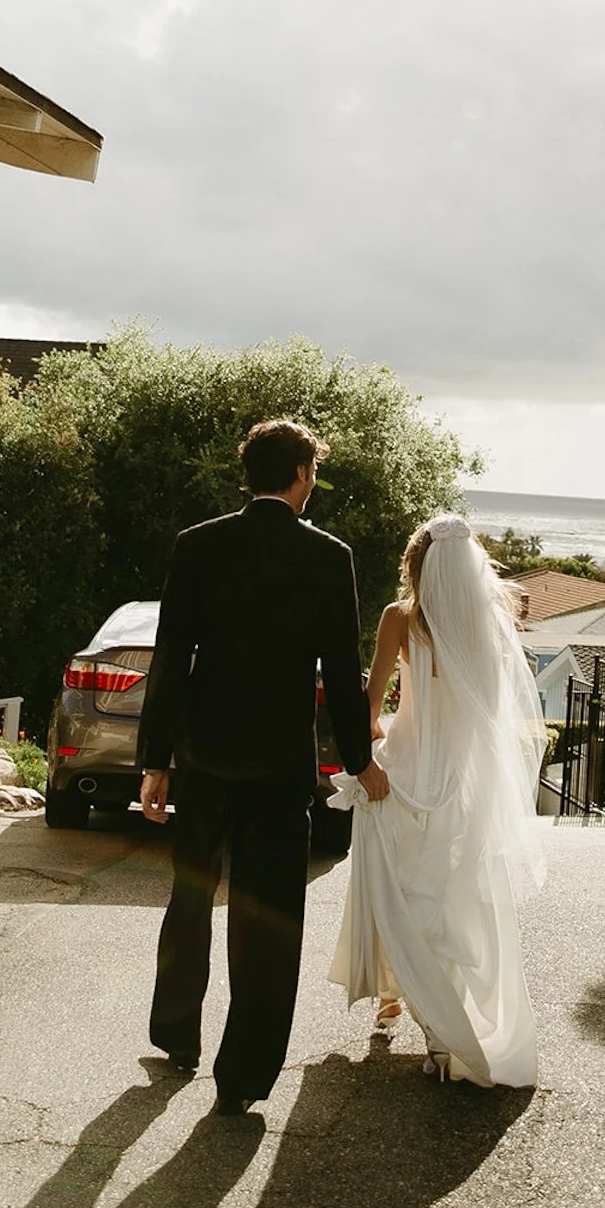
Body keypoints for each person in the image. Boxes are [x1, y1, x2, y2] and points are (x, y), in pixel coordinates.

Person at [138, 419, 390, 1116]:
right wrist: (361, 761)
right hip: (280, 767)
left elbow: (170, 660)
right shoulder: (327, 557)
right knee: (269, 917)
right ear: (302, 475)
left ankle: (175, 1035)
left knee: (190, 895)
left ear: (249, 473)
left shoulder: (197, 545)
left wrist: (156, 762)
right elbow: (342, 673)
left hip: (204, 757)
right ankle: (243, 1079)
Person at [327, 515, 547, 1087]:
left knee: (396, 893)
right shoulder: (493, 624)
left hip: (404, 780)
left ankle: (400, 1000)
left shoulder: (398, 620)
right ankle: (442, 1026)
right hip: (465, 786)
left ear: (416, 566)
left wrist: (377, 739)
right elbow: (492, 715)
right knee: (452, 905)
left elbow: (370, 704)